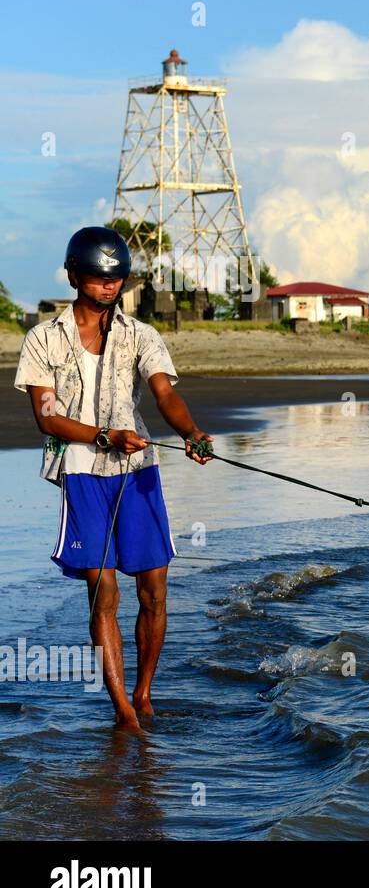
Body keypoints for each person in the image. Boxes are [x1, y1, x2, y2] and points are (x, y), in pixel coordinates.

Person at [13, 226, 214, 732]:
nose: (110, 287)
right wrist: (103, 437)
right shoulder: (43, 339)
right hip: (82, 472)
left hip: (138, 468)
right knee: (102, 589)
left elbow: (165, 394)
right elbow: (47, 417)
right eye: (101, 278)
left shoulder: (141, 335)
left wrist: (190, 431)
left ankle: (144, 694)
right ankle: (121, 708)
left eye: (118, 280)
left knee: (154, 589)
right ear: (75, 275)